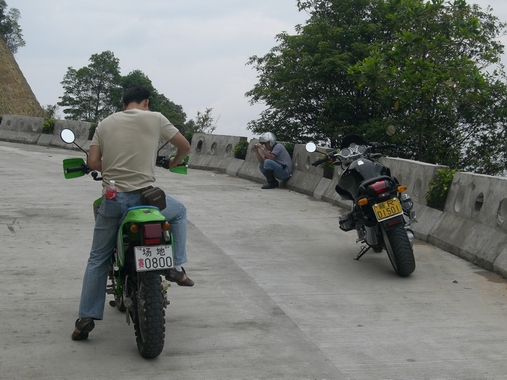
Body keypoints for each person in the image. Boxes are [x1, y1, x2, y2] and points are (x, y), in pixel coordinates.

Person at [71, 86, 193, 341]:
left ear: (124, 103)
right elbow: (184, 146)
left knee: (98, 258)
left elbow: (93, 163)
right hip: (147, 200)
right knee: (179, 212)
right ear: (146, 102)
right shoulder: (156, 118)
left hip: (115, 198)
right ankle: (176, 265)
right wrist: (174, 161)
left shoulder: (105, 123)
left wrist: (112, 166)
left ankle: (86, 317)